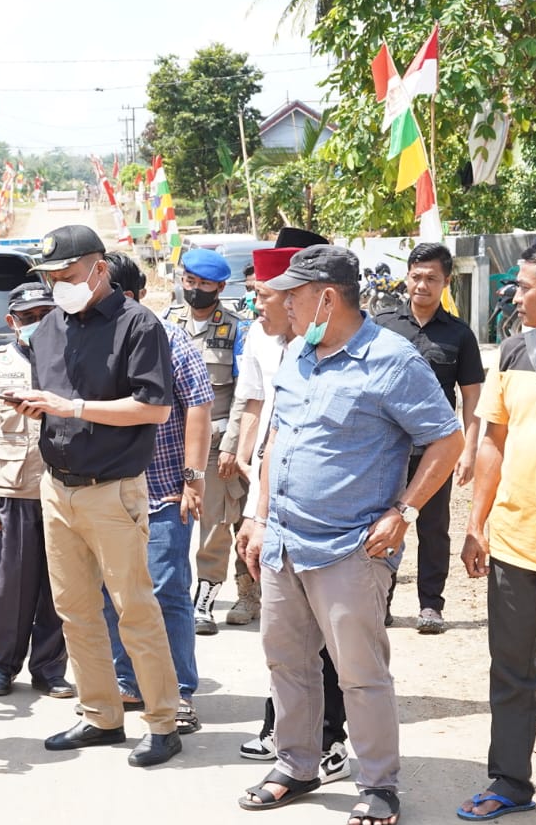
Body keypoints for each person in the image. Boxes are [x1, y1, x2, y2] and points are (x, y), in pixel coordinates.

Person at [236, 245, 464, 825]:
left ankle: (379, 784)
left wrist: (406, 511)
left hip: (350, 548)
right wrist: (259, 518)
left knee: (360, 674)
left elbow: (447, 439)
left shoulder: (392, 361)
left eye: (293, 294)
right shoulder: (298, 354)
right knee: (286, 661)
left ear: (327, 298)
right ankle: (297, 764)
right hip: (286, 540)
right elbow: (278, 441)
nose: (283, 304)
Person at [13, 224, 181, 768]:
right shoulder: (46, 332)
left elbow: (154, 408)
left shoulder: (139, 325)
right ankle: (100, 715)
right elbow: (55, 402)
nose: (58, 285)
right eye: (50, 277)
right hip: (57, 488)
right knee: (75, 611)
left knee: (134, 608)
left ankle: (162, 722)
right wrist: (38, 406)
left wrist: (71, 407)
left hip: (114, 490)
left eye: (66, 275)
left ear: (98, 268)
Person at [231, 238, 351, 784]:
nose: (258, 304)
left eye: (265, 294)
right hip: (270, 494)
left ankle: (330, 739)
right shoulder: (262, 337)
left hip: (327, 515)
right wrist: (240, 452)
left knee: (330, 640)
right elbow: (254, 401)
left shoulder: (340, 345)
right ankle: (286, 734)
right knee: (284, 635)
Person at [456, 239, 536, 821]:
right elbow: (493, 441)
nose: (514, 296)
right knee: (512, 673)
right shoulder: (516, 352)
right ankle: (510, 782)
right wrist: (476, 525)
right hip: (518, 545)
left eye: (525, 287)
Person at [98, 252, 212, 731]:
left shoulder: (171, 341)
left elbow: (199, 408)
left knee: (167, 592)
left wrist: (192, 479)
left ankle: (179, 690)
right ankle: (129, 682)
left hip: (164, 491)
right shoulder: (91, 341)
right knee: (113, 594)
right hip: (107, 494)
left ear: (133, 297)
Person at [0, 281, 70, 699]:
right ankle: (2, 665)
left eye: (46, 316)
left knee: (58, 587)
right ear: (12, 322)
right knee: (9, 588)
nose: (38, 326)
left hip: (63, 493)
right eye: (28, 319)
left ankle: (49, 668)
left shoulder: (71, 362)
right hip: (11, 494)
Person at [373, 242, 484, 633]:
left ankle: (430, 606)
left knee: (432, 527)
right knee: (381, 522)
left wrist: (468, 449)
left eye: (431, 278)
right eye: (416, 276)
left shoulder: (459, 334)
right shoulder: (383, 325)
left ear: (446, 282)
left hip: (436, 450)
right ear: (407, 276)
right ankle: (379, 600)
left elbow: (471, 395)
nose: (422, 285)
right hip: (385, 448)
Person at [165, 248, 247, 635]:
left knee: (213, 524)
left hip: (216, 444)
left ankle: (206, 601)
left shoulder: (236, 329)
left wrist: (232, 442)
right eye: (190, 282)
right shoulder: (166, 324)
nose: (195, 290)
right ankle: (172, 595)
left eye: (204, 284)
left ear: (220, 287)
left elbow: (246, 393)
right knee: (169, 519)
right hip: (169, 442)